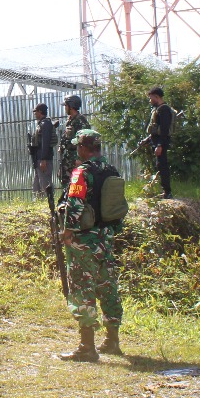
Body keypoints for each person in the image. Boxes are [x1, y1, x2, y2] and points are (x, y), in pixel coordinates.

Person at [57, 128, 124, 362]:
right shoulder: (111, 170)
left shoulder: (81, 173)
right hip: (105, 238)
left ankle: (87, 347)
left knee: (82, 289)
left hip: (84, 240)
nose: (77, 149)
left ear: (84, 148)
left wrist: (67, 232)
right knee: (107, 286)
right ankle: (112, 341)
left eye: (78, 146)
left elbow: (74, 205)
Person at [56, 94, 91, 189]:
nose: (65, 108)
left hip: (75, 158)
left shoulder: (81, 121)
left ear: (71, 107)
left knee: (76, 181)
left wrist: (79, 159)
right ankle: (68, 200)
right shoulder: (70, 120)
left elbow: (85, 141)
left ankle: (76, 200)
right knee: (64, 178)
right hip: (68, 158)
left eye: (66, 106)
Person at [147, 85, 175, 199]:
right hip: (158, 142)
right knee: (160, 165)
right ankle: (165, 191)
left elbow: (164, 129)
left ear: (157, 97)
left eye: (151, 98)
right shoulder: (158, 109)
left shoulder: (164, 110)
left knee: (162, 165)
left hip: (161, 142)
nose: (150, 100)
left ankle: (167, 192)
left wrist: (159, 145)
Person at [29, 104, 55, 202]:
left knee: (45, 181)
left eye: (35, 112)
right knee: (37, 181)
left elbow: (46, 142)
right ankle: (38, 200)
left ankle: (50, 201)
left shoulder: (46, 124)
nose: (35, 114)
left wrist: (43, 159)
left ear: (40, 112)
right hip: (39, 158)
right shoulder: (42, 124)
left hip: (44, 159)